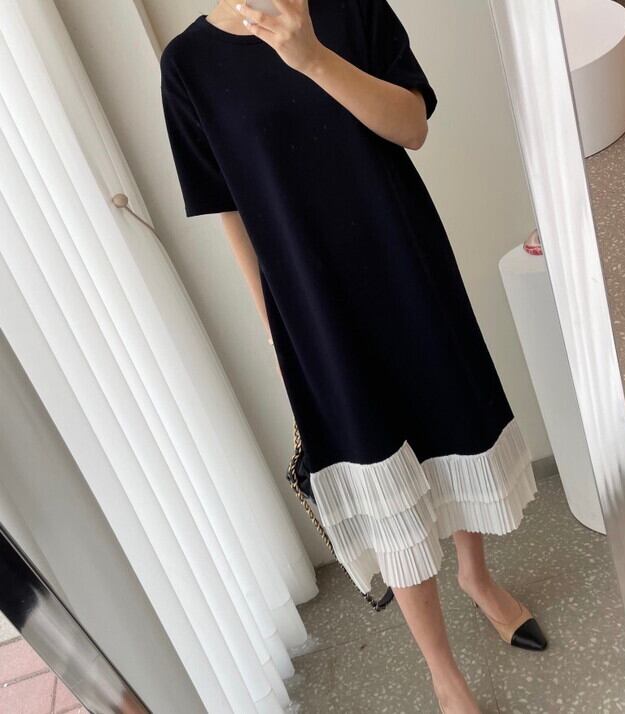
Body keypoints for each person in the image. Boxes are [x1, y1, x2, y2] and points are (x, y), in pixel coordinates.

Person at [160, 1, 546, 711]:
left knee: (451, 429)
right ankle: (443, 671)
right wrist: (275, 325)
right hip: (314, 309)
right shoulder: (187, 65)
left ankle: (477, 578)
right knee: (377, 471)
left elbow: (412, 125)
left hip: (406, 264)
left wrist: (311, 58)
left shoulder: (348, 5)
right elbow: (229, 212)